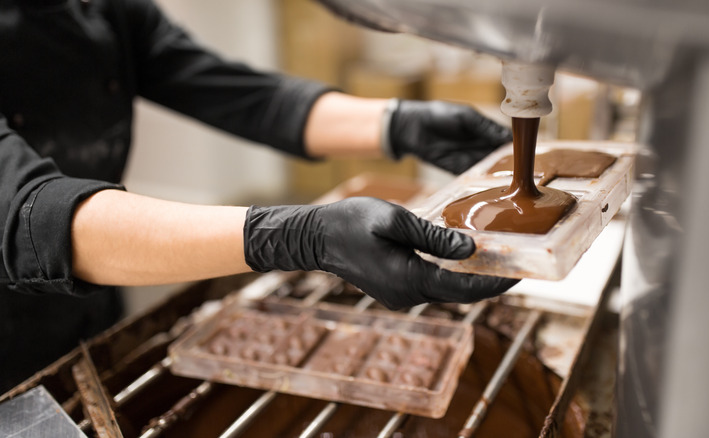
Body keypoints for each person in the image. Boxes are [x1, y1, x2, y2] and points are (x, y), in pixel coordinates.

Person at [0, 0, 516, 392]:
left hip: (94, 310)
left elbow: (235, 92)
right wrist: (302, 237)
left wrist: (396, 123)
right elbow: (28, 217)